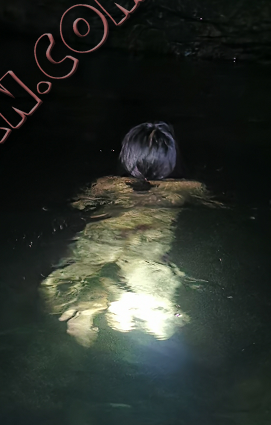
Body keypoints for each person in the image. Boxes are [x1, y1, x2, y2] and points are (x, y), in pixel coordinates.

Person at [41, 121, 222, 346]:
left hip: (104, 236)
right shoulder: (189, 188)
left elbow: (79, 205)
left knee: (60, 283)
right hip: (148, 242)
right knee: (158, 302)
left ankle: (87, 308)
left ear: (126, 156)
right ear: (171, 158)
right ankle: (129, 308)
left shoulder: (106, 184)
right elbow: (219, 205)